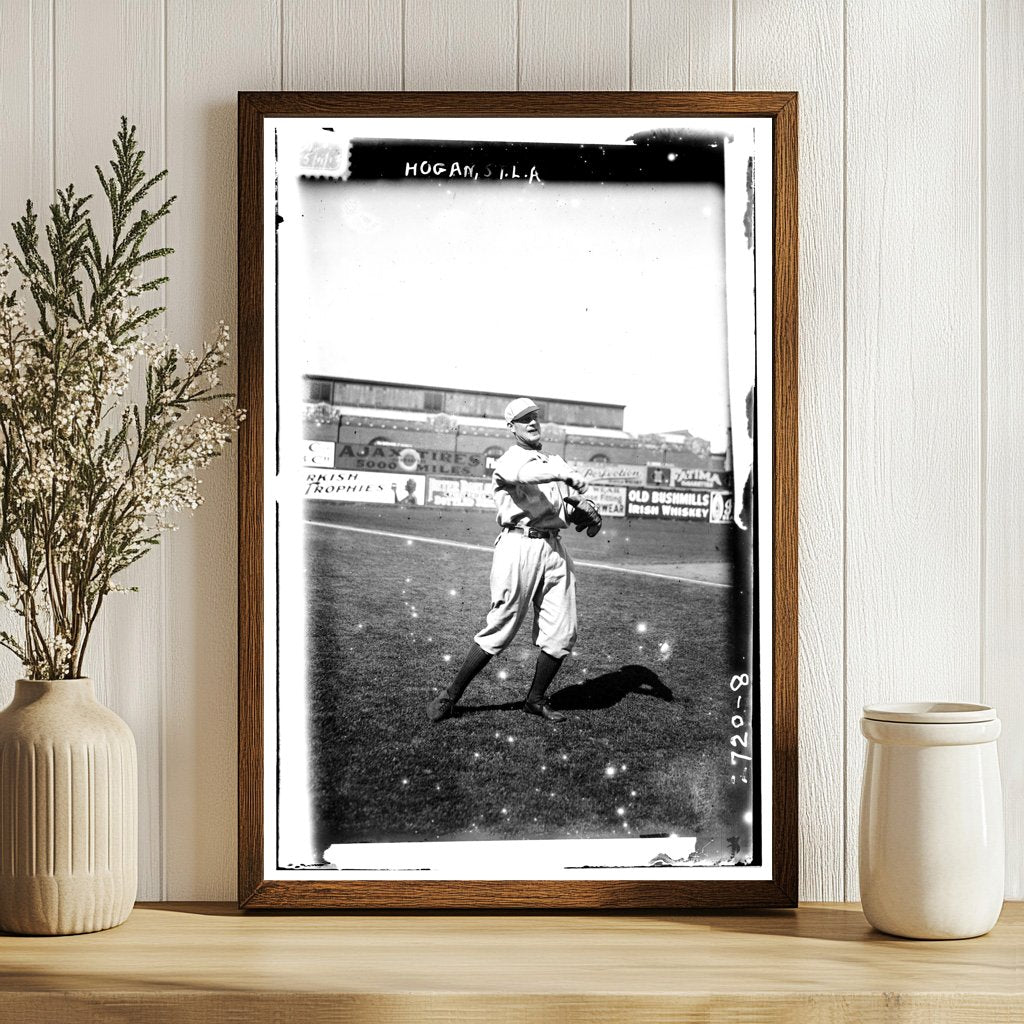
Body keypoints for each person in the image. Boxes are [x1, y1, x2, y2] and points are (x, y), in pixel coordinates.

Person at [427, 397, 599, 725]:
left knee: (562, 632)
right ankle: (451, 697)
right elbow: (531, 474)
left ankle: (535, 699)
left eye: (535, 417)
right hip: (518, 546)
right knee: (501, 627)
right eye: (523, 420)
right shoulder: (511, 460)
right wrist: (567, 473)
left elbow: (567, 509)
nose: (532, 423)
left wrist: (585, 512)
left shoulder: (552, 461)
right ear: (512, 428)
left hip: (553, 548)